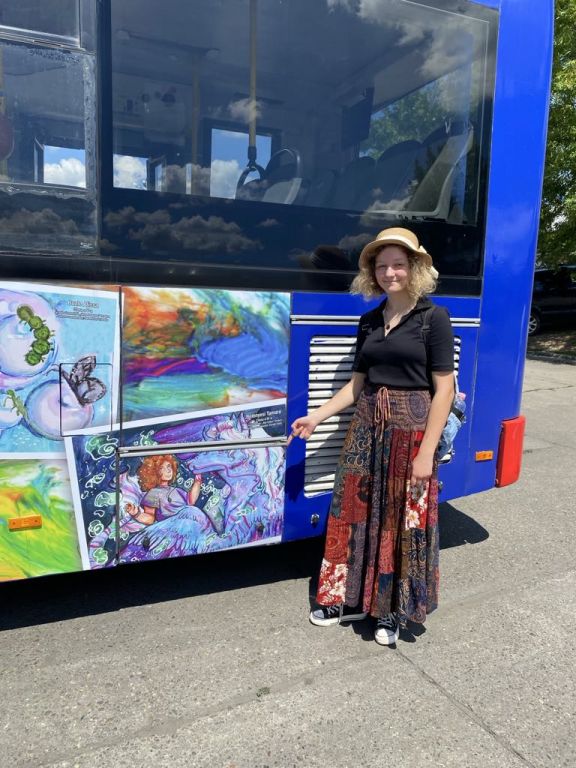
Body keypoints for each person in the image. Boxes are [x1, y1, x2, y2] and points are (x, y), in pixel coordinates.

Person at [290, 227, 455, 645]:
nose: (389, 273)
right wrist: (316, 417)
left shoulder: (433, 318)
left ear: (414, 268)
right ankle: (340, 597)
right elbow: (356, 385)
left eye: (398, 264)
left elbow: (445, 390)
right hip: (366, 426)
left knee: (401, 520)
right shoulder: (368, 321)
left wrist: (427, 453)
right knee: (349, 512)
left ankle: (389, 609)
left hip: (411, 432)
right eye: (382, 266)